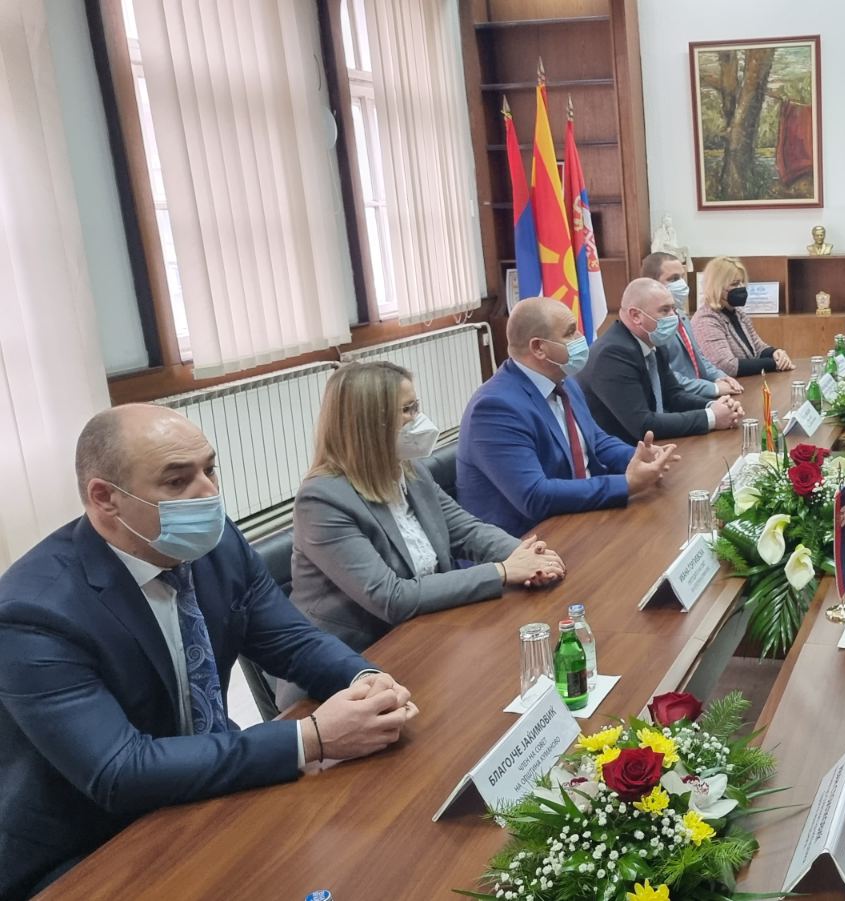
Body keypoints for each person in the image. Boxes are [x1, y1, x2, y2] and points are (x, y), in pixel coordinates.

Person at [0, 405, 419, 898]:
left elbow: (291, 640)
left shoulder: (217, 545)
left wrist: (365, 682)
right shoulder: (33, 611)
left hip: (210, 788)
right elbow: (119, 770)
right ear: (104, 498)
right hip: (92, 844)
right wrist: (311, 738)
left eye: (210, 469)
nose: (209, 493)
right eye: (177, 481)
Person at [288, 361, 566, 664]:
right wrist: (502, 571)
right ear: (370, 423)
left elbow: (467, 532)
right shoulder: (322, 501)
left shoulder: (410, 471)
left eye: (416, 406)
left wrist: (529, 558)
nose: (418, 418)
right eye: (407, 410)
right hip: (356, 660)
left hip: (428, 632)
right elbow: (391, 597)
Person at [457, 297, 679, 535]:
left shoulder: (564, 381)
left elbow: (596, 442)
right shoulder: (495, 408)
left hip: (579, 516)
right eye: (571, 333)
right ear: (538, 348)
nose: (581, 338)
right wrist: (625, 484)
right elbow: (535, 496)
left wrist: (639, 458)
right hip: (528, 539)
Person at [581, 278, 744, 444]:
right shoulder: (612, 354)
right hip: (624, 452)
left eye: (673, 309)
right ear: (636, 315)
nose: (673, 316)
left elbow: (674, 396)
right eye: (665, 310)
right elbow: (643, 425)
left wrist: (714, 406)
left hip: (653, 447)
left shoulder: (653, 342)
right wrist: (712, 417)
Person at [640, 251, 743, 402]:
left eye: (681, 277)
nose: (681, 284)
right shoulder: (652, 324)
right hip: (676, 401)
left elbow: (700, 358)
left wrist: (721, 377)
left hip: (698, 396)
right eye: (673, 279)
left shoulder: (681, 315)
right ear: (652, 283)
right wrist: (713, 388)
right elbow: (666, 376)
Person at [689, 256, 795, 376]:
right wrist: (773, 364)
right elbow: (726, 366)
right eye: (734, 284)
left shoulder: (738, 313)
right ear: (717, 287)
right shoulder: (706, 320)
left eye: (742, 282)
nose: (741, 287)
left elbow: (757, 347)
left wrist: (776, 353)